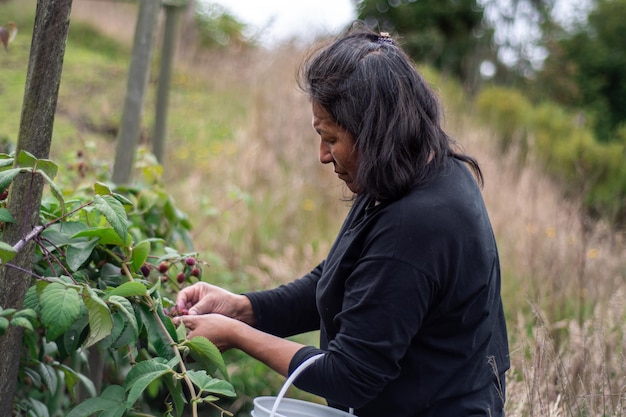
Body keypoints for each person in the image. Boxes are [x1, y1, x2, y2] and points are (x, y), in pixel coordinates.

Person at [174, 23, 510, 417]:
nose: (322, 154)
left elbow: (351, 375)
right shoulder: (408, 173)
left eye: (331, 138)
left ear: (374, 132)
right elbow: (345, 282)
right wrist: (242, 308)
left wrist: (237, 335)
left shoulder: (418, 225)